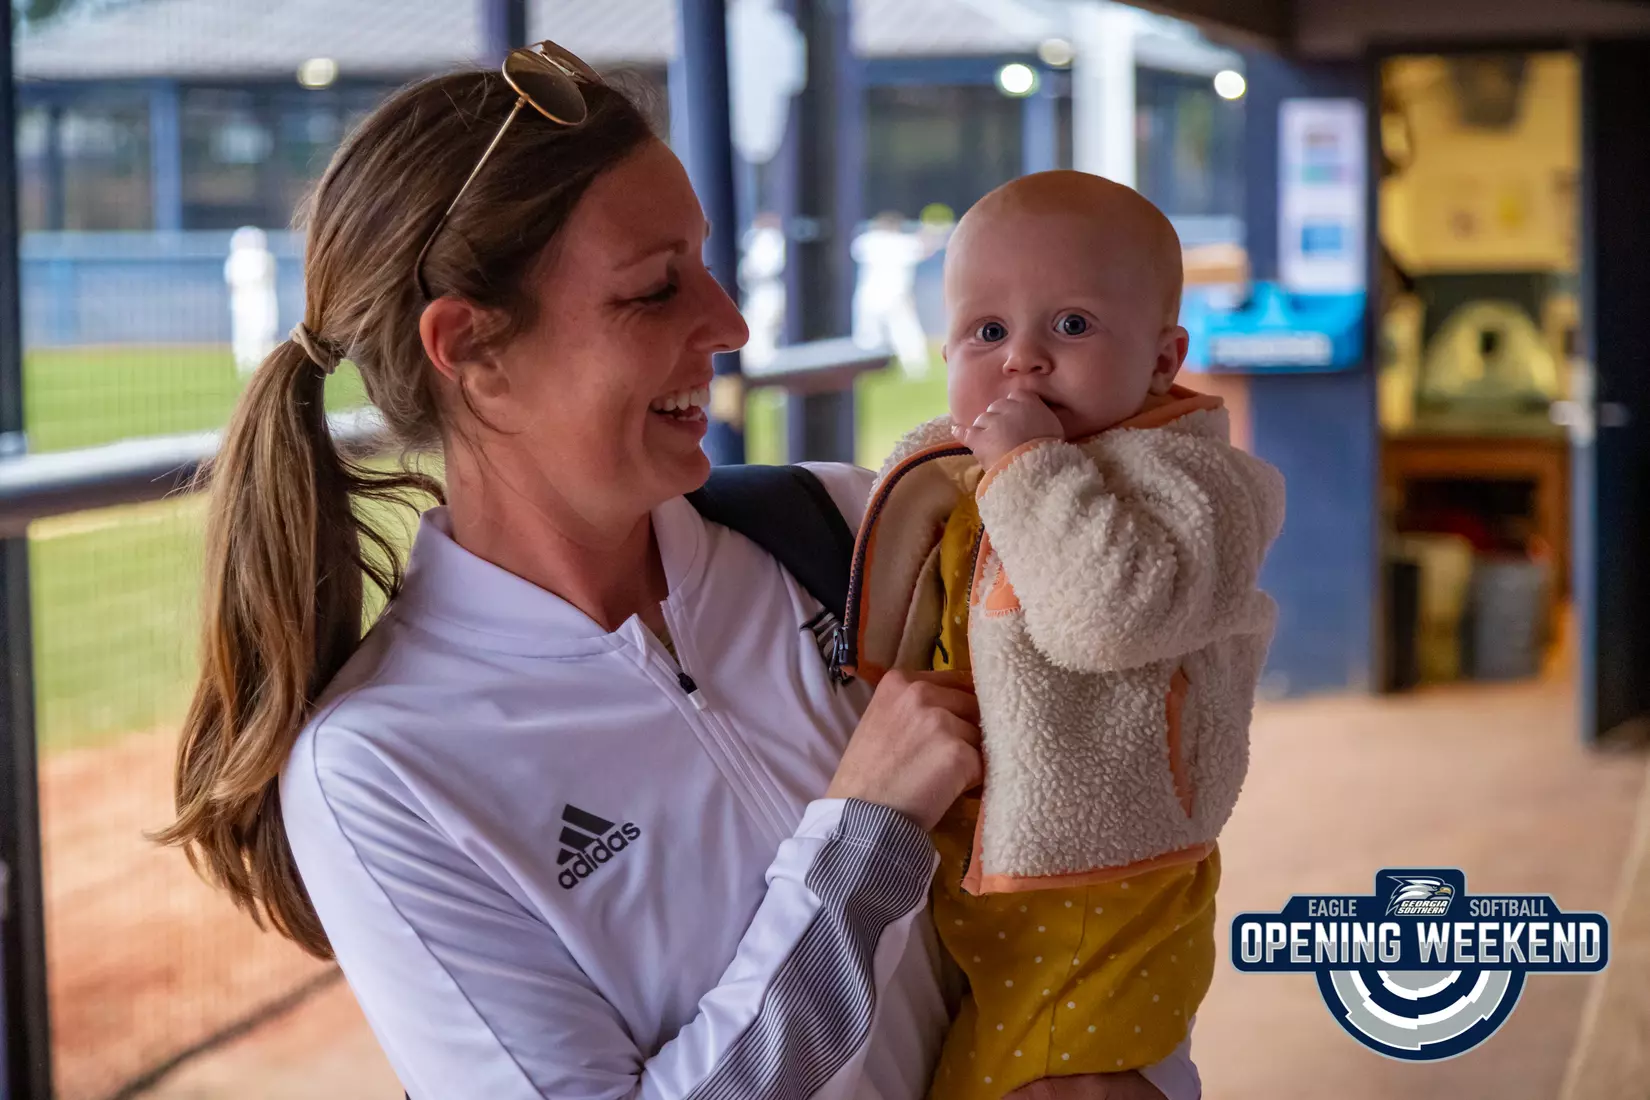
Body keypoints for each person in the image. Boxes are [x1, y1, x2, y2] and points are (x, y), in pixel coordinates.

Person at [157, 45, 1198, 1100]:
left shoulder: (857, 529)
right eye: (656, 290)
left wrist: (1134, 1066)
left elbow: (1109, 848)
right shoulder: (382, 766)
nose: (730, 324)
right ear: (470, 348)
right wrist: (864, 834)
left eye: (703, 263)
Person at [833, 172, 1284, 1100]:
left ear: (1162, 359)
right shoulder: (965, 463)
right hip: (984, 865)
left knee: (1048, 1080)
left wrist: (1030, 466)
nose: (1022, 361)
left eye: (1071, 325)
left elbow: (1107, 616)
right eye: (987, 331)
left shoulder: (1201, 485)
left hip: (1106, 883)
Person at [852, 211, 938, 378]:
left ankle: (867, 369)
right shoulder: (903, 243)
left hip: (870, 296)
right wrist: (930, 230)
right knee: (905, 334)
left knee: (868, 336)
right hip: (895, 297)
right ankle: (915, 369)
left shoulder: (867, 241)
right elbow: (926, 248)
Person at [224, 225, 280, 375]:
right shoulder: (235, 260)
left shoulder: (264, 258)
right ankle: (245, 362)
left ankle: (263, 362)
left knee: (264, 331)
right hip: (243, 301)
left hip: (261, 300)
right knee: (244, 333)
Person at [739, 211, 787, 370]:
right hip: (757, 291)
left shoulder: (770, 239)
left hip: (766, 290)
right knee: (756, 325)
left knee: (765, 325)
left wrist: (750, 273)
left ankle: (765, 364)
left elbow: (764, 267)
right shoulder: (756, 237)